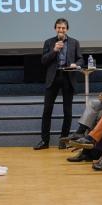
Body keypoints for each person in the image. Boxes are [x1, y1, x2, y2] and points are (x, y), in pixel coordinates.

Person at [34, 18, 83, 150]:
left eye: (63, 28)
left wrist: (76, 64)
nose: (61, 30)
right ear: (55, 28)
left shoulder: (74, 42)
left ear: (67, 29)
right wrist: (54, 50)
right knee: (47, 111)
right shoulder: (49, 42)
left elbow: (80, 59)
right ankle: (45, 141)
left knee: (67, 111)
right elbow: (44, 60)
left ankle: (63, 140)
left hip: (68, 77)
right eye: (59, 28)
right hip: (53, 78)